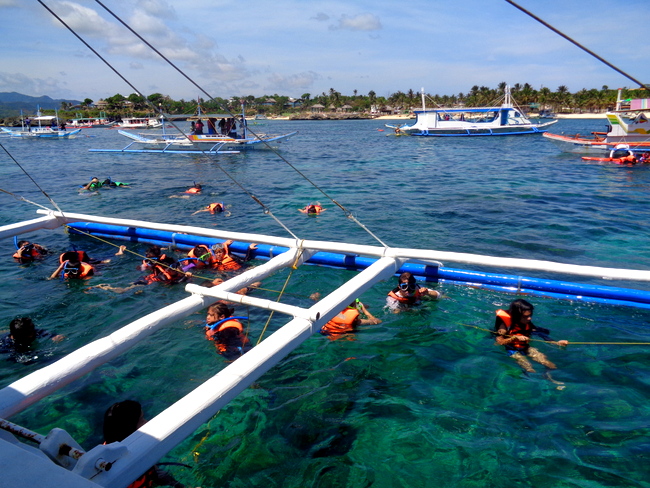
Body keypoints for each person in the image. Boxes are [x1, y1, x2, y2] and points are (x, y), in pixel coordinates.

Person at [103, 400, 185, 488]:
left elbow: (155, 472)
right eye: (141, 420)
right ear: (129, 429)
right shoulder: (113, 471)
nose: (147, 422)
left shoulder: (129, 447)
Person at [494, 299, 568, 376]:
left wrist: (557, 343)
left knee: (550, 365)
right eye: (526, 316)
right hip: (512, 349)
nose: (529, 318)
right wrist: (514, 338)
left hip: (526, 347)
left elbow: (542, 335)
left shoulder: (527, 322)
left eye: (530, 315)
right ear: (516, 315)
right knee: (530, 369)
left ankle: (548, 376)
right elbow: (499, 342)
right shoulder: (503, 326)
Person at [0, 317, 64, 361]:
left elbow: (40, 332)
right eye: (32, 329)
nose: (34, 330)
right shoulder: (9, 347)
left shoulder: (31, 332)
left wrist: (53, 336)